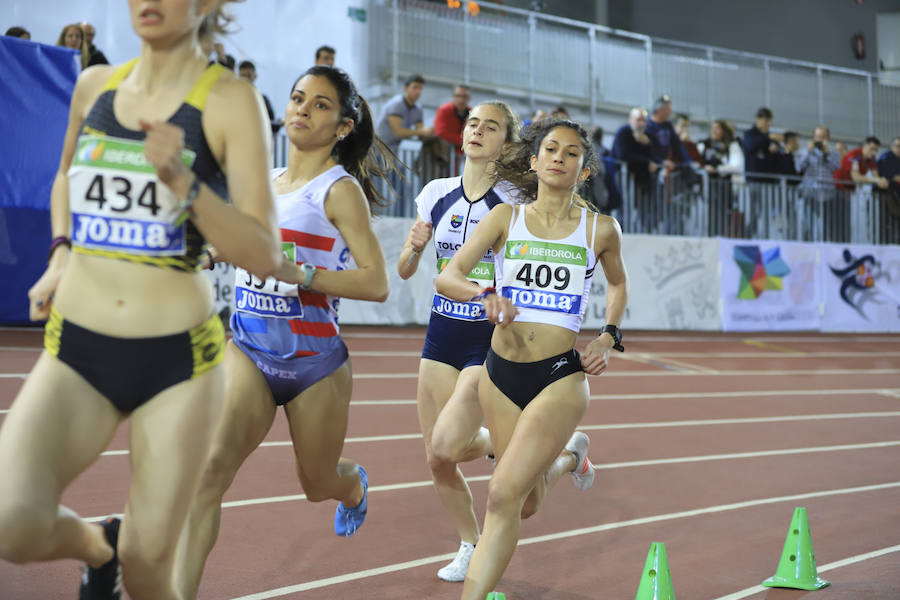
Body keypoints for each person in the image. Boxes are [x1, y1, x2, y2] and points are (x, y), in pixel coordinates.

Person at [0, 2, 282, 600]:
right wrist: (59, 254)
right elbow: (63, 177)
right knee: (11, 522)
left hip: (176, 364)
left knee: (151, 569)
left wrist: (184, 183)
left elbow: (262, 253)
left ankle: (126, 555)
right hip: (77, 344)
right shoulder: (93, 84)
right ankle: (99, 547)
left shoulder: (230, 100)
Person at [174, 65, 392, 600]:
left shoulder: (339, 192)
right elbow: (249, 249)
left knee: (317, 483)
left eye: (320, 104)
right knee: (208, 474)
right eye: (298, 98)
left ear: (342, 126)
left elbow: (377, 283)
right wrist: (213, 252)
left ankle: (353, 485)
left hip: (314, 362)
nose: (302, 109)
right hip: (247, 346)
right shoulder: (261, 182)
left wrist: (303, 274)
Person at [435, 118, 628, 599]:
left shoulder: (601, 229)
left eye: (571, 153)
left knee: (500, 496)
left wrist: (607, 337)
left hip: (559, 376)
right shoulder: (505, 219)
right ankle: (570, 456)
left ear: (583, 171)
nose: (559, 157)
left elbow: (619, 284)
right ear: (535, 161)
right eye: (551, 150)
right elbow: (448, 276)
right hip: (499, 376)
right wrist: (485, 294)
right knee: (525, 503)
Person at [396, 101, 519, 583]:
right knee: (438, 456)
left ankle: (524, 446)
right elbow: (407, 271)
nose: (477, 132)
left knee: (448, 442)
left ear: (505, 142)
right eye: (472, 124)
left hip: (485, 338)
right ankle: (470, 541)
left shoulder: (514, 201)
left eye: (491, 127)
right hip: (440, 332)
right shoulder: (435, 194)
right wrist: (415, 245)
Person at [238, 59, 281, 136]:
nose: (245, 79)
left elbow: (271, 125)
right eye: (243, 75)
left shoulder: (262, 99)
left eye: (248, 75)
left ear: (255, 76)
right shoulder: (232, 99)